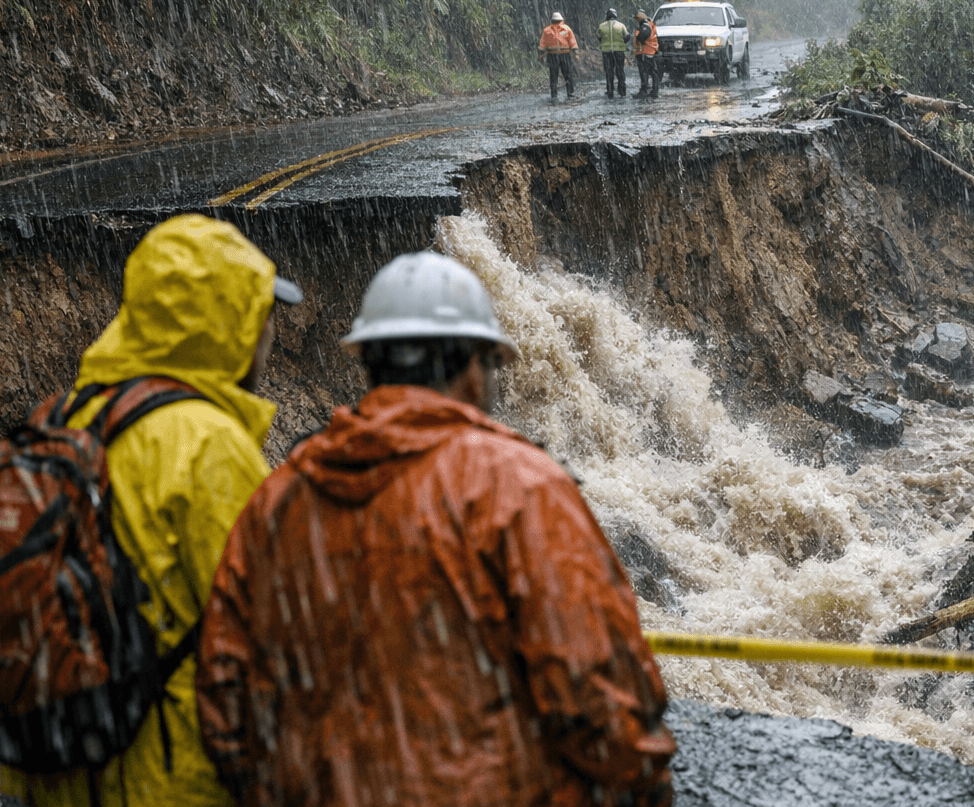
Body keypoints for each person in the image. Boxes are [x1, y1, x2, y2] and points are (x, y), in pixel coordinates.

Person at [196, 251, 676, 807]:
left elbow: (225, 690)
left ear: (371, 365)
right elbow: (595, 689)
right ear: (474, 369)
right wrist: (644, 781)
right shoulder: (517, 487)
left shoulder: (279, 499)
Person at [2, 213, 303, 807]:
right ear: (226, 321)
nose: (270, 333)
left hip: (61, 766)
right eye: (261, 312)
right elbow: (271, 627)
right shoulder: (205, 443)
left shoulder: (63, 417)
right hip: (165, 773)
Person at [538, 11, 578, 99]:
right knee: (566, 75)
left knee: (555, 76)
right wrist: (575, 51)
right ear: (561, 19)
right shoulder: (566, 29)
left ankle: (555, 95)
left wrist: (540, 53)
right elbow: (572, 41)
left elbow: (542, 44)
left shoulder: (548, 30)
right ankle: (569, 93)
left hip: (555, 55)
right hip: (561, 55)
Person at [597, 7, 631, 97]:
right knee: (620, 70)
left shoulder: (601, 26)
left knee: (609, 71)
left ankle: (610, 91)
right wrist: (622, 42)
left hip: (606, 52)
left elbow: (599, 37)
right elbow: (627, 36)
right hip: (619, 51)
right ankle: (622, 91)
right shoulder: (621, 25)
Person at [632, 9, 659, 99]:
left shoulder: (645, 26)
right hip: (650, 51)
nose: (636, 21)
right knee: (653, 72)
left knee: (644, 72)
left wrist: (638, 33)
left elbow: (641, 37)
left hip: (645, 51)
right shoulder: (650, 24)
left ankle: (644, 90)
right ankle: (654, 91)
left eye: (637, 19)